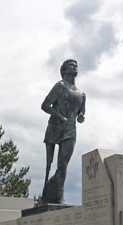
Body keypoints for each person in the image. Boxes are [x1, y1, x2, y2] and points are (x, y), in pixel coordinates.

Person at [40, 59, 86, 204]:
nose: (75, 67)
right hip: (55, 127)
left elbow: (82, 112)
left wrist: (81, 117)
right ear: (64, 70)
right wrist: (59, 116)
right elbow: (45, 105)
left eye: (77, 65)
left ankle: (59, 196)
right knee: (49, 164)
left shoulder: (81, 94)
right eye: (72, 65)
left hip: (70, 130)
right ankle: (45, 196)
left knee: (63, 164)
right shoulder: (59, 86)